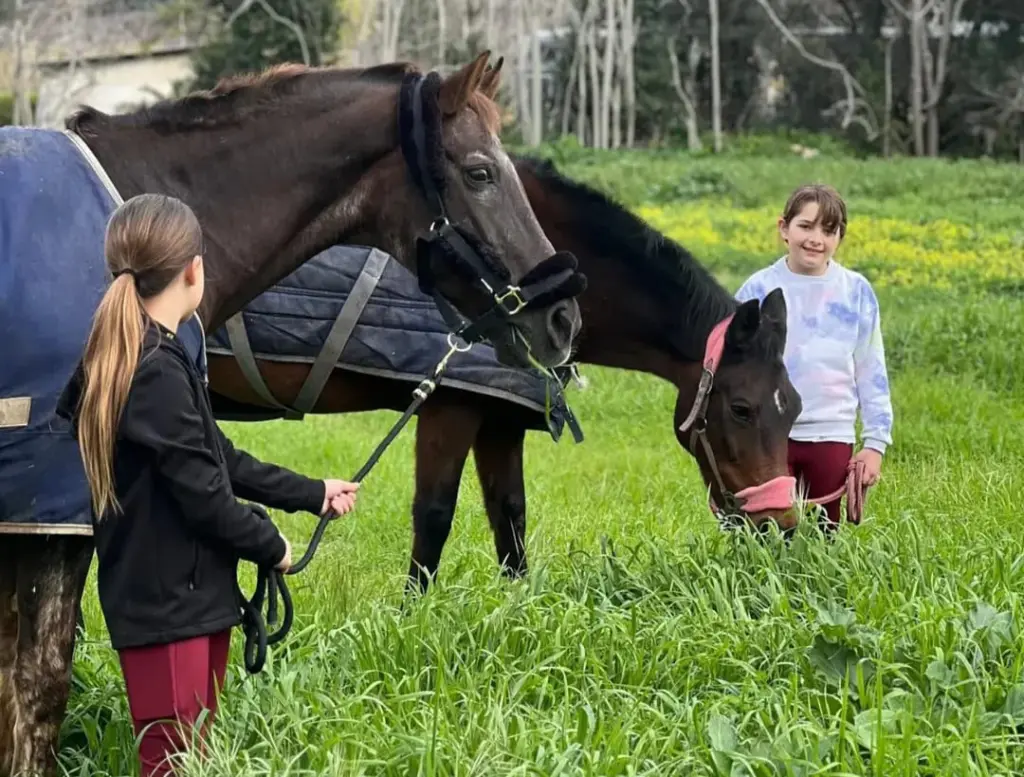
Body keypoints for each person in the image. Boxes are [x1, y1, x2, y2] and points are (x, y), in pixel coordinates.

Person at [56, 193, 360, 776]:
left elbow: (219, 458)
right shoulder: (153, 371)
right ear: (193, 269)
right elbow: (206, 499)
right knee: (171, 765)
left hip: (188, 599)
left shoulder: (157, 355)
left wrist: (312, 492)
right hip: (167, 607)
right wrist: (273, 546)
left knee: (191, 759)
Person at [734, 183, 893, 531]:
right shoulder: (756, 290)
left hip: (831, 435)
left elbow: (871, 369)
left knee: (825, 537)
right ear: (784, 229)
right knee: (762, 537)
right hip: (768, 438)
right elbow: (731, 369)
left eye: (828, 230)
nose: (816, 239)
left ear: (840, 237)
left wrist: (875, 444)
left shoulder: (856, 291)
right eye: (805, 226)